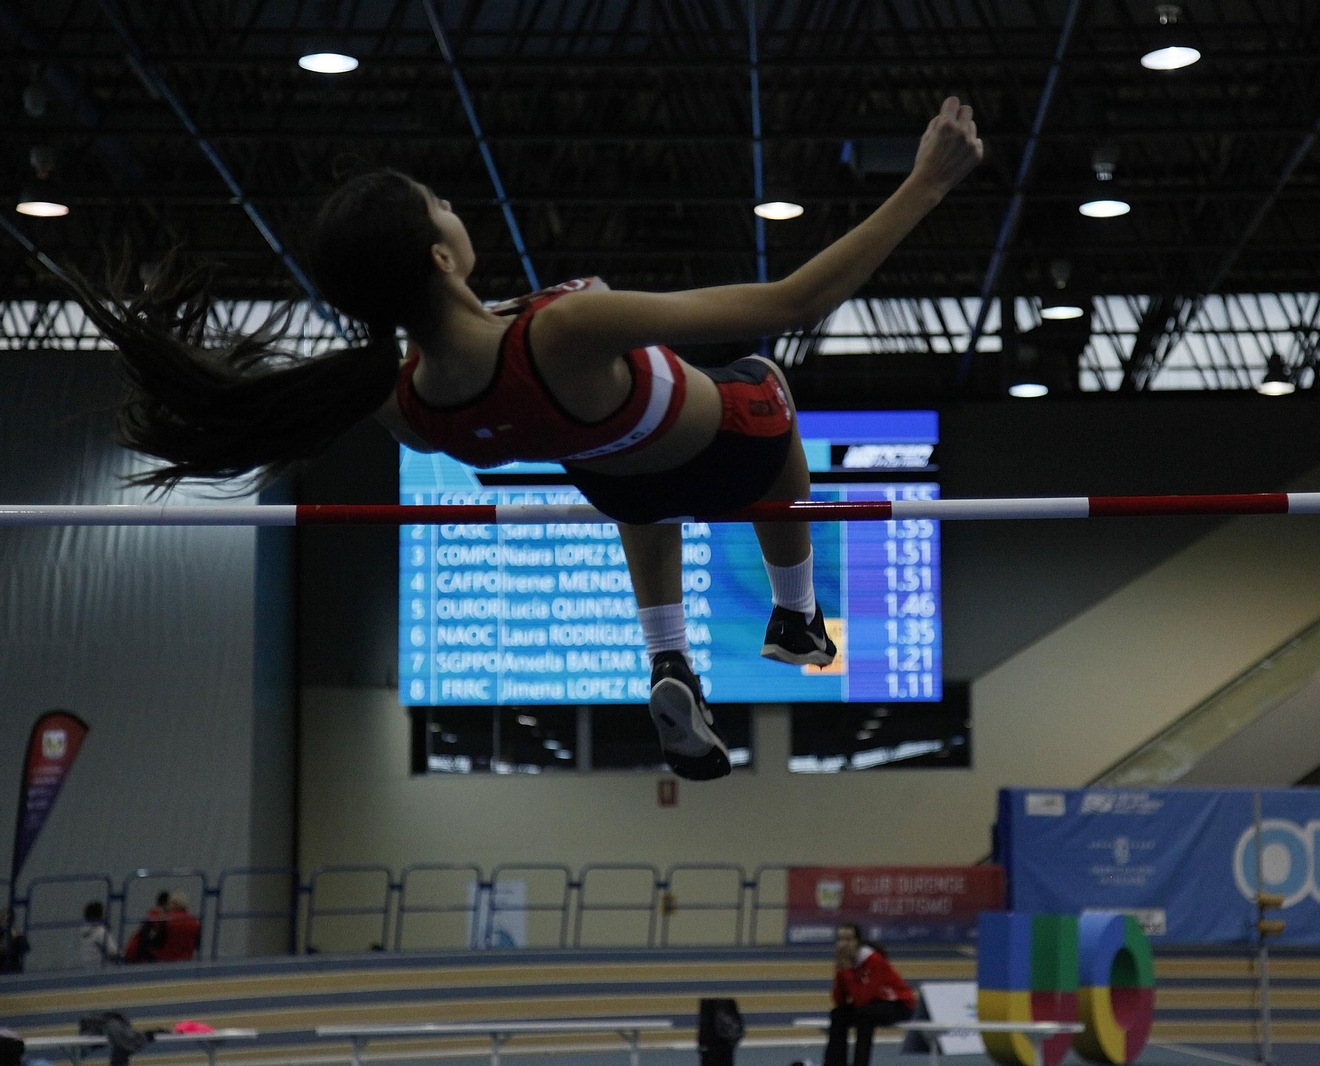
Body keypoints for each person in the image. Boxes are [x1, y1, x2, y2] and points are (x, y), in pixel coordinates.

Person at [61, 98, 982, 782]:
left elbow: (424, 368)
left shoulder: (407, 398)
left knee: (633, 483)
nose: (457, 209)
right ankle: (795, 614)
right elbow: (795, 303)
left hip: (620, 479)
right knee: (768, 384)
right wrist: (926, 184)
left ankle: (669, 662)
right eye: (441, 205)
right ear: (439, 256)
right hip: (733, 446)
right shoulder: (562, 331)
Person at [826, 922, 914, 1066]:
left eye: (848, 939)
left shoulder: (873, 960)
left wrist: (847, 971)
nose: (844, 944)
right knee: (838, 1014)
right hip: (871, 1004)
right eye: (840, 939)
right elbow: (839, 1000)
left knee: (864, 1014)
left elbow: (863, 999)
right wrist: (841, 971)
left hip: (898, 1004)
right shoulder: (844, 962)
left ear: (857, 942)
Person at [78, 900, 115, 968]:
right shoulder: (100, 931)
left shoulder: (83, 932)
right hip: (102, 972)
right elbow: (112, 952)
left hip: (86, 970)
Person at [0, 908, 29, 974]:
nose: (7, 921)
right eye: (5, 919)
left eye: (10, 919)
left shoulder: (15, 932)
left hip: (13, 967)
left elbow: (26, 948)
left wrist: (18, 937)